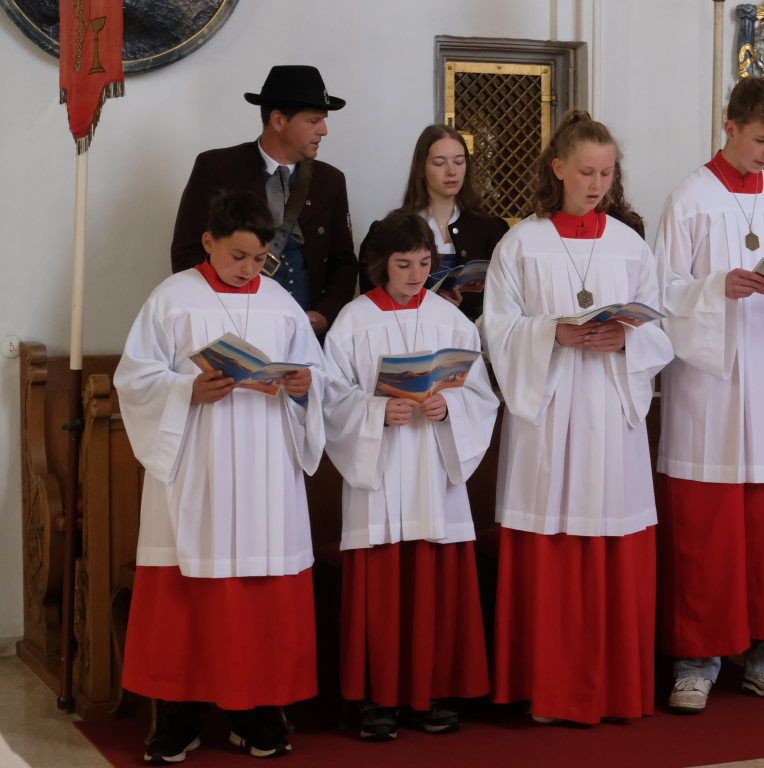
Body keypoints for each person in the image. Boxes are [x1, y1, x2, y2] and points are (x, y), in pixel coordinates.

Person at [114, 190, 326, 762]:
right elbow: (134, 379)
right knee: (187, 594)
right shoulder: (172, 299)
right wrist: (187, 389)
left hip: (266, 471)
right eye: (237, 256)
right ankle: (176, 720)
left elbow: (318, 374)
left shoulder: (281, 304)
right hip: (197, 467)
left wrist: (305, 384)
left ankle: (257, 714)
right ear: (209, 242)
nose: (249, 269)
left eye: (259, 259)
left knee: (262, 592)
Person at [483, 110, 673, 725]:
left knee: (612, 530)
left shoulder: (630, 245)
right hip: (550, 411)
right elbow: (498, 330)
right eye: (587, 172)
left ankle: (614, 689)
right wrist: (553, 334)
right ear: (559, 168)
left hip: (610, 413)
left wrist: (628, 339)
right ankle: (549, 687)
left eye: (607, 173)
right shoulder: (521, 244)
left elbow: (661, 329)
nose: (597, 185)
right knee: (550, 539)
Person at [653, 75, 764, 713]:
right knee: (705, 530)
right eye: (760, 140)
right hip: (709, 387)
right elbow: (659, 294)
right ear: (729, 128)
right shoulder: (689, 200)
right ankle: (695, 664)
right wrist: (713, 290)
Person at [323, 211, 498, 740]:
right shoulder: (353, 321)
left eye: (425, 264)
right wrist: (376, 412)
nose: (416, 275)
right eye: (404, 265)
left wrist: (450, 409)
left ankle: (432, 693)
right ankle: (375, 700)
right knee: (381, 586)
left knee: (435, 582)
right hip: (380, 475)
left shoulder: (452, 321)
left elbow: (481, 395)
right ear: (381, 264)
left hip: (433, 470)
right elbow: (331, 400)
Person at [171, 65, 358, 335]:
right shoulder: (217, 169)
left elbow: (344, 261)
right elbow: (187, 254)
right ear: (279, 120)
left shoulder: (330, 180)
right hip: (232, 329)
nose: (324, 130)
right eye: (313, 121)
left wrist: (326, 314)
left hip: (306, 335)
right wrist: (221, 314)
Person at [358, 124, 509, 320]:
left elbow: (505, 302)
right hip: (408, 333)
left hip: (473, 334)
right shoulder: (390, 232)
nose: (451, 171)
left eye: (459, 161)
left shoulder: (491, 229)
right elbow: (371, 304)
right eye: (439, 163)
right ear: (421, 168)